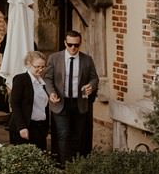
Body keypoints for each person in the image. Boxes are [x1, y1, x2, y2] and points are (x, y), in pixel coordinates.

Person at [43, 30, 99, 165]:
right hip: (60, 102)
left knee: (78, 135)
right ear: (65, 43)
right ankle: (64, 165)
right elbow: (48, 78)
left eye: (76, 45)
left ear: (80, 44)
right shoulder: (54, 58)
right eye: (70, 45)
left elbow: (94, 78)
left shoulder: (87, 59)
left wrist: (91, 86)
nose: (73, 48)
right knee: (63, 134)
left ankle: (77, 165)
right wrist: (51, 93)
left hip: (79, 102)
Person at [8, 50, 50, 150]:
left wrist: (45, 129)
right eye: (37, 67)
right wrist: (22, 127)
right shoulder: (20, 79)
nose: (40, 70)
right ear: (28, 64)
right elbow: (15, 104)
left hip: (39, 127)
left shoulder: (42, 83)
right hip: (25, 127)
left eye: (43, 67)